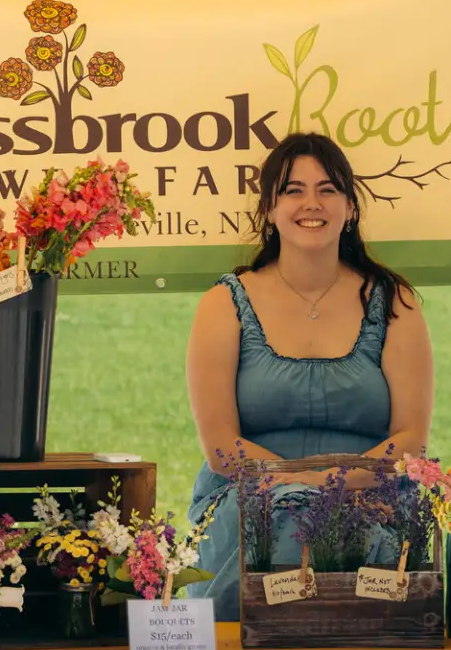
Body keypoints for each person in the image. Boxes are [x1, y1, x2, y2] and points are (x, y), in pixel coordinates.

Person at [181, 131, 434, 620]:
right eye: (293, 190)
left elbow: (410, 442)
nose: (311, 203)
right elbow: (220, 447)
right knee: (287, 529)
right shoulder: (223, 304)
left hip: (369, 493)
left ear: (350, 208)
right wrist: (297, 488)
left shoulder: (394, 302)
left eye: (327, 189)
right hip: (251, 495)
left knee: (351, 533)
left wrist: (329, 487)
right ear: (269, 210)